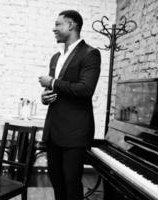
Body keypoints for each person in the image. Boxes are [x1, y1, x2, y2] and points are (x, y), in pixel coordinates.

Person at [38, 10, 101, 200]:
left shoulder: (90, 54)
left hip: (75, 133)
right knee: (56, 181)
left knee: (72, 183)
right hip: (53, 131)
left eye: (58, 24)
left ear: (71, 25)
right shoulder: (55, 58)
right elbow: (57, 91)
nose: (54, 28)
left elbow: (85, 89)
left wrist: (53, 83)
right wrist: (45, 96)